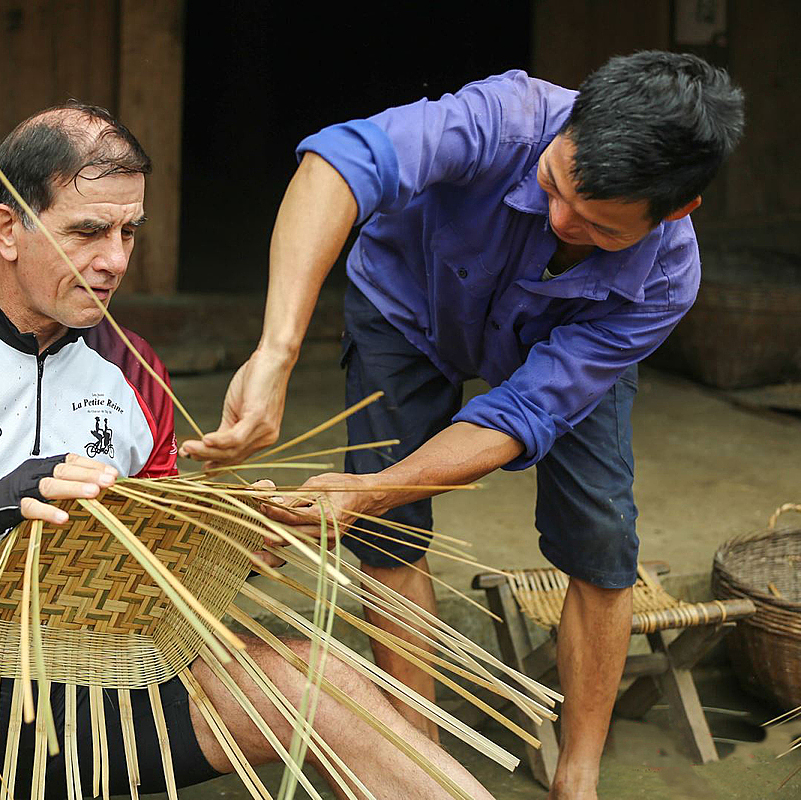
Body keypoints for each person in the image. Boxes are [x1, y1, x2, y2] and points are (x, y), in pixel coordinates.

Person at [0, 102, 493, 800]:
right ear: (6, 229)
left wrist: (223, 542)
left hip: (92, 687)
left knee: (316, 675)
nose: (115, 260)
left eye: (129, 232)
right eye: (87, 232)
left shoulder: (134, 370)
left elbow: (150, 580)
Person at [179, 52, 744, 800]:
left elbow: (520, 413)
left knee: (602, 536)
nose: (559, 221)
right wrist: (277, 350)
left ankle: (578, 773)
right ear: (568, 124)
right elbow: (337, 163)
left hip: (558, 347)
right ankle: (419, 757)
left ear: (675, 212)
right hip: (408, 306)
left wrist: (370, 487)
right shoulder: (505, 116)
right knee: (388, 532)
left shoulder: (663, 281)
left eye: (601, 228)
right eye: (552, 185)